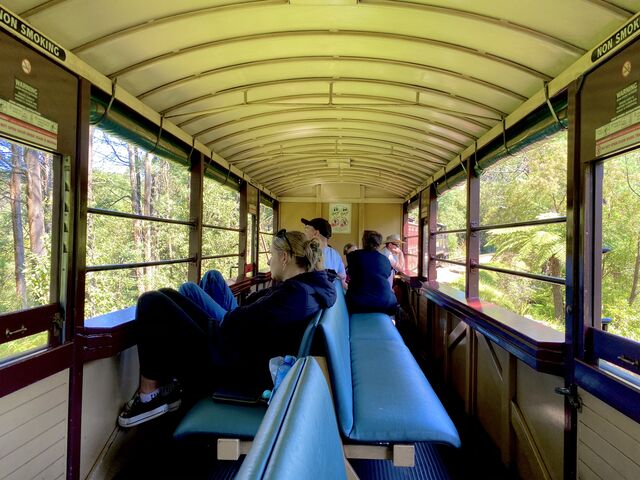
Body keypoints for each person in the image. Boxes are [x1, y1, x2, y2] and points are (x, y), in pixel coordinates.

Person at [117, 230, 337, 428]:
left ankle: (148, 397)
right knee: (167, 293)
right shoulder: (304, 289)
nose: (270, 261)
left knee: (151, 301)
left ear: (284, 257)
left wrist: (225, 319)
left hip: (228, 366)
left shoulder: (294, 295)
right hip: (236, 351)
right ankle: (165, 391)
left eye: (272, 255)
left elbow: (235, 321)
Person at [345, 231, 397, 315]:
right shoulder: (385, 260)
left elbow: (351, 273)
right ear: (379, 244)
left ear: (364, 242)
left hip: (358, 303)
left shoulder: (353, 256)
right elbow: (386, 275)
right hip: (385, 304)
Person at [301, 217, 347, 288]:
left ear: (316, 233)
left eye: (307, 229)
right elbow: (342, 279)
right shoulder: (336, 255)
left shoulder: (305, 253)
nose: (305, 232)